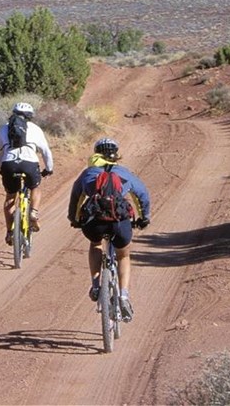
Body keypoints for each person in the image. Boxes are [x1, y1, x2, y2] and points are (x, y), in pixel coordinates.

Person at [67, 137, 151, 322]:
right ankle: (124, 295)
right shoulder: (124, 173)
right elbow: (141, 195)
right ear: (116, 155)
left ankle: (96, 285)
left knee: (96, 244)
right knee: (123, 254)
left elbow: (76, 196)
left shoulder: (88, 173)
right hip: (119, 222)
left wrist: (73, 218)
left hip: (94, 222)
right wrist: (144, 218)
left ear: (96, 153)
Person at [0, 101, 54, 246]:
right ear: (30, 116)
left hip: (9, 164)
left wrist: (0, 167)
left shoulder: (4, 129)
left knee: (10, 198)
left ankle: (9, 232)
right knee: (35, 187)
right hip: (29, 164)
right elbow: (45, 151)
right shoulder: (35, 129)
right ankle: (33, 212)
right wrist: (49, 168)